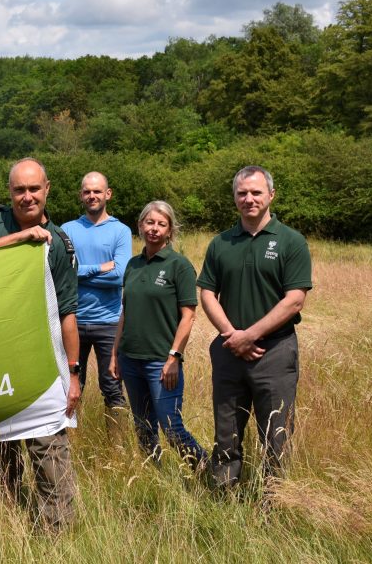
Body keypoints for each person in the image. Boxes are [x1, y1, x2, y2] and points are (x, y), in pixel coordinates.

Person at [0, 157, 80, 529]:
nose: (26, 197)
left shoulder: (61, 242)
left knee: (48, 446)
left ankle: (58, 529)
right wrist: (21, 238)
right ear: (9, 192)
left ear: (47, 190)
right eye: (19, 190)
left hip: (41, 358)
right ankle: (8, 518)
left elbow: (68, 312)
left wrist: (74, 375)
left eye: (33, 189)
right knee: (0, 447)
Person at [198, 166, 312, 491]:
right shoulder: (221, 243)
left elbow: (294, 300)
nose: (249, 199)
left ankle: (272, 508)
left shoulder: (291, 241)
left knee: (276, 439)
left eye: (256, 192)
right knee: (226, 436)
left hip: (275, 354)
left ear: (270, 195)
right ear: (234, 198)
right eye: (242, 193)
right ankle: (224, 501)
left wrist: (251, 335)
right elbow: (207, 292)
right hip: (228, 353)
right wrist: (233, 335)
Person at [108, 201, 206, 469]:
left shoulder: (180, 266)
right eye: (149, 222)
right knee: (143, 427)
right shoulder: (132, 265)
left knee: (171, 428)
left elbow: (188, 316)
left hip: (161, 363)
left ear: (170, 230)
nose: (154, 229)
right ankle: (155, 477)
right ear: (140, 226)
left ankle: (207, 471)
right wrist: (115, 354)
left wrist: (174, 356)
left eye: (161, 224)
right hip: (130, 359)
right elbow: (125, 313)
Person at [61, 173, 131, 436]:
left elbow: (120, 276)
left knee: (112, 387)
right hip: (72, 321)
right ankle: (71, 445)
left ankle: (117, 451)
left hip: (110, 322)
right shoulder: (67, 230)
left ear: (108, 194)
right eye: (87, 191)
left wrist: (81, 273)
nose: (92, 196)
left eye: (97, 191)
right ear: (81, 195)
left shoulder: (120, 231)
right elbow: (64, 273)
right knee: (71, 386)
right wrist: (100, 267)